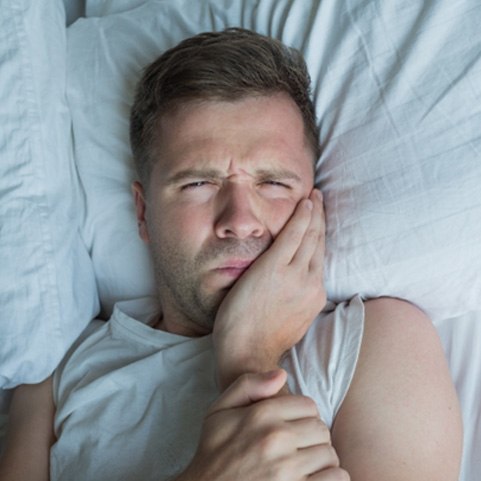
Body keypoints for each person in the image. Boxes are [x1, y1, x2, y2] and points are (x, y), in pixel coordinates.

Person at [0, 28, 462, 481]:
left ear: (312, 202)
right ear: (143, 213)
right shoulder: (56, 376)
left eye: (273, 183)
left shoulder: (375, 342)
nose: (240, 220)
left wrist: (249, 361)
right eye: (199, 184)